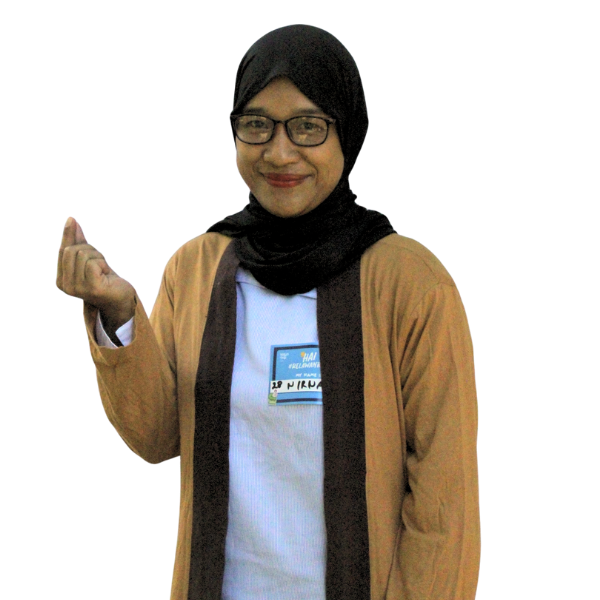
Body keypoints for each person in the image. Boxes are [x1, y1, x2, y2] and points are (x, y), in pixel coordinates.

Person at [55, 24, 480, 600]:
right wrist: (120, 313)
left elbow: (444, 502)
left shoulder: (410, 283)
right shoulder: (196, 268)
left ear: (347, 132)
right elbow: (157, 437)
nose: (279, 153)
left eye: (308, 125)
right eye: (257, 124)